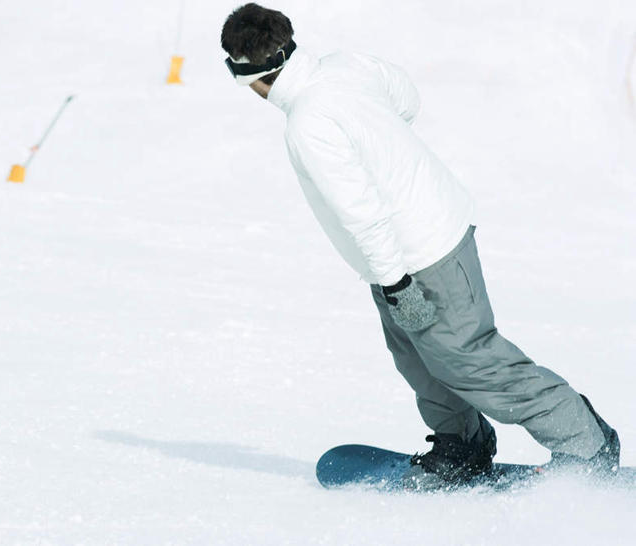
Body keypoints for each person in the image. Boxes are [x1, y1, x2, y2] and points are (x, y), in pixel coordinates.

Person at [220, 3, 620, 487]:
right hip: (397, 256)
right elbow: (405, 97)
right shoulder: (345, 67)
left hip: (420, 254)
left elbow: (361, 212)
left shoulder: (307, 122)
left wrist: (396, 282)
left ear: (245, 73)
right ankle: (462, 442)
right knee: (418, 357)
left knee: (469, 359)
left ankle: (585, 443)